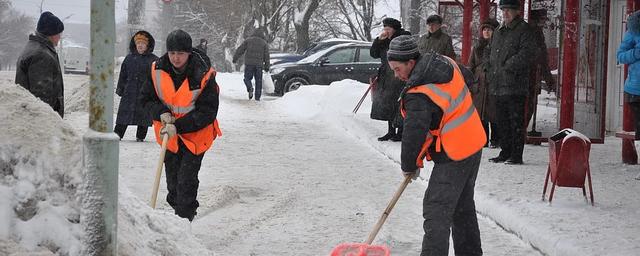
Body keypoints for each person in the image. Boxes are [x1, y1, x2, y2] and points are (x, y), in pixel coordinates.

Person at [387, 35, 485, 256]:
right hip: (473, 142)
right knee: (462, 208)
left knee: (436, 209)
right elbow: (469, 79)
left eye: (397, 69)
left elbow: (413, 134)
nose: (396, 75)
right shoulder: (443, 62)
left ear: (411, 62)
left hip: (456, 152)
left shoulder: (419, 94)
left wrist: (409, 164)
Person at [140, 29, 221, 221]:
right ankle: (181, 208)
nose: (176, 58)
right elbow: (145, 99)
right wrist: (161, 112)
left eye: (181, 54)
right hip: (169, 137)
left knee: (186, 181)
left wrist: (179, 125)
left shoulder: (203, 74)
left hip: (195, 137)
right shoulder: (156, 70)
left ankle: (184, 221)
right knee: (174, 186)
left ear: (189, 53)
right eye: (172, 53)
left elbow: (208, 111)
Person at [486, 0, 537, 165]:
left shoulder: (524, 30)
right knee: (502, 121)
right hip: (498, 83)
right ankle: (505, 151)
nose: (505, 13)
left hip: (515, 84)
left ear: (517, 11)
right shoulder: (499, 31)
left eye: (509, 10)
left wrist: (507, 66)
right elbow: (489, 50)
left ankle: (516, 154)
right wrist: (489, 66)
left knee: (515, 121)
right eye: (503, 10)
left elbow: (527, 54)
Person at [15, 11, 65, 117]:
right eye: (58, 33)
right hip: (40, 120)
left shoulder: (34, 47)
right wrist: (49, 121)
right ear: (51, 34)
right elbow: (42, 97)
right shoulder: (41, 55)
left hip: (29, 115)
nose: (60, 37)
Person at [370, 17, 411, 141]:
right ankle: (390, 131)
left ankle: (401, 132)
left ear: (394, 29)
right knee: (388, 103)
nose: (385, 31)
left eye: (388, 29)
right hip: (386, 76)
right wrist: (378, 41)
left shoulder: (403, 38)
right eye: (384, 28)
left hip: (399, 76)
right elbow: (373, 54)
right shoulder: (384, 40)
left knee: (399, 104)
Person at [114, 31, 158, 141]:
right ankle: (117, 134)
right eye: (138, 43)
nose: (140, 45)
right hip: (129, 93)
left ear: (147, 45)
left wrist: (156, 94)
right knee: (124, 116)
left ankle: (140, 136)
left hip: (145, 94)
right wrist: (120, 88)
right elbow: (123, 75)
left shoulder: (154, 60)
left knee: (144, 116)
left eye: (142, 43)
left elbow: (158, 79)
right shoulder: (129, 58)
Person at [468, 18, 500, 148]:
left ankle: (495, 139)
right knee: (480, 114)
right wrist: (470, 80)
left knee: (494, 113)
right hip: (479, 83)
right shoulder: (477, 46)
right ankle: (484, 139)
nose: (486, 32)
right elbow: (471, 64)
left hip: (492, 82)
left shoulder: (498, 46)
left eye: (489, 29)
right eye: (484, 29)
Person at [526, 9, 556, 129]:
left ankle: (521, 130)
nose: (544, 22)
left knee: (527, 106)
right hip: (531, 76)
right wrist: (549, 80)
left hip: (529, 75)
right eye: (543, 19)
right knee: (529, 106)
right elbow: (542, 58)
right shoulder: (536, 34)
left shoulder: (532, 32)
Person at [232, 28, 270, 100]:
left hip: (249, 64)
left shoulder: (248, 40)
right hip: (259, 65)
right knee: (258, 81)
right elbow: (267, 56)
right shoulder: (264, 43)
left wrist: (235, 58)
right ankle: (257, 98)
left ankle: (250, 88)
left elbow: (240, 49)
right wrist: (267, 66)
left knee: (247, 78)